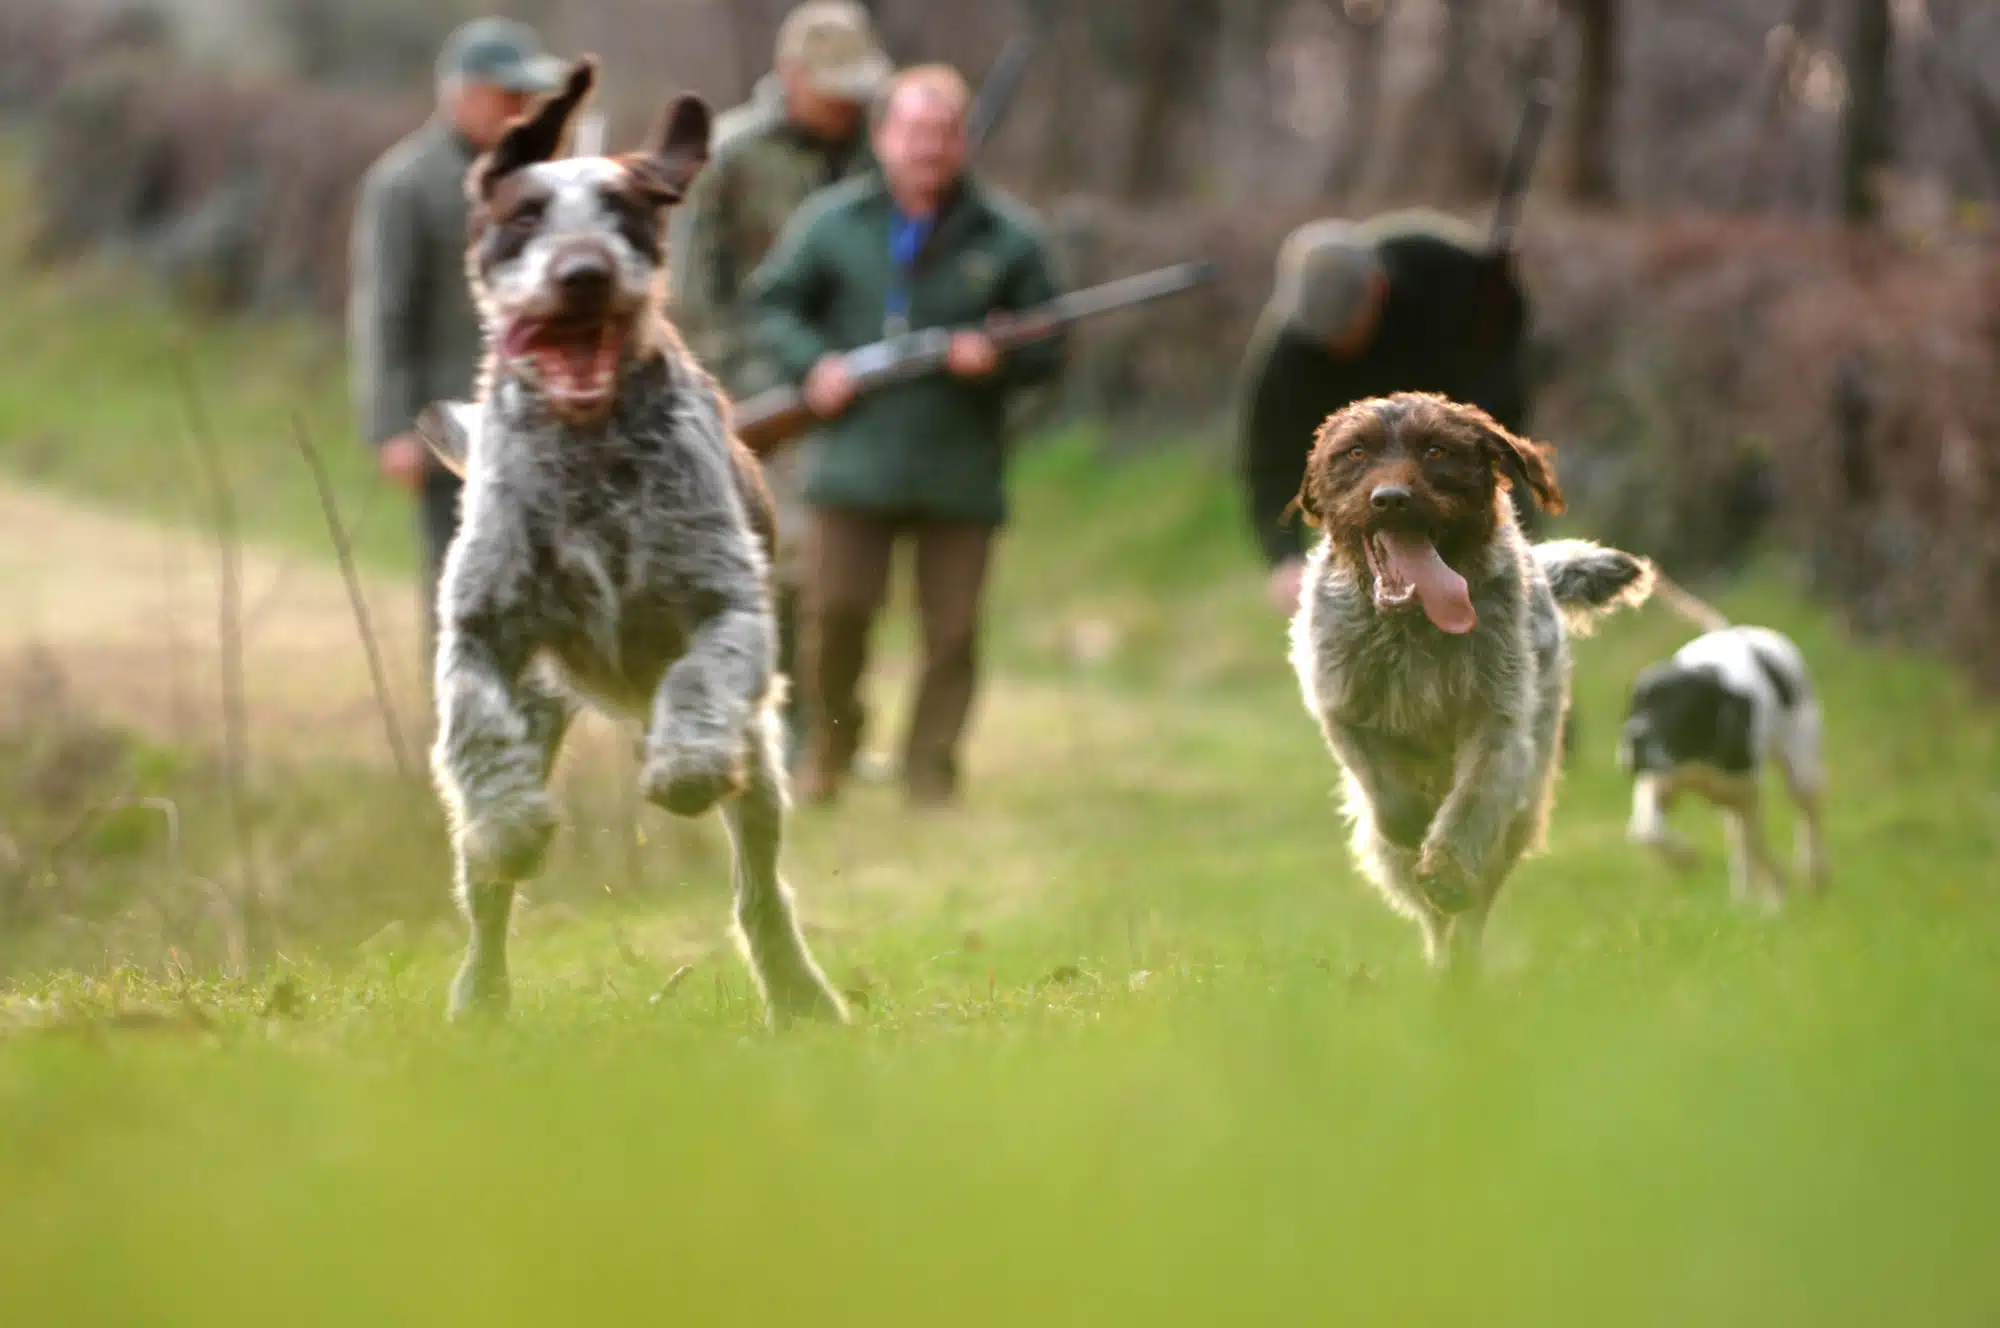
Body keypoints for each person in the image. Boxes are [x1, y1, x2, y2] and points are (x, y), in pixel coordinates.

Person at [746, 64, 1069, 808]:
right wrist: (813, 365)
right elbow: (774, 305)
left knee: (952, 635)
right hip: (854, 463)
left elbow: (1050, 345)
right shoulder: (834, 222)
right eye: (916, 132)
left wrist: (995, 359)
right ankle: (828, 754)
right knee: (836, 621)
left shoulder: (1010, 238)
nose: (930, 147)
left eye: (945, 133)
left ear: (964, 141)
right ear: (886, 136)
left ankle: (929, 774)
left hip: (959, 467)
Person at [670, 0, 890, 769]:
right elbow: (693, 295)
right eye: (831, 88)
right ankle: (775, 730)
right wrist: (754, 384)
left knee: (842, 579)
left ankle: (828, 732)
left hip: (864, 395)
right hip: (757, 397)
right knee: (780, 564)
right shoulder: (728, 157)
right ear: (790, 76)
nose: (845, 105)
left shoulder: (878, 153)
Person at [347, 17, 566, 694]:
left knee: (538, 588)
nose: (522, 111)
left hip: (536, 421)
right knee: (461, 587)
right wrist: (393, 427)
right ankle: (463, 728)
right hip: (451, 429)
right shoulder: (404, 184)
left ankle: (527, 730)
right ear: (465, 95)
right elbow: (384, 313)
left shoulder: (540, 181)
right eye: (510, 96)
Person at [1236, 209, 1533, 617]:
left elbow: (1508, 320)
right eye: (1324, 334)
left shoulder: (1441, 268)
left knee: (1504, 586)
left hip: (1468, 440)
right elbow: (1270, 459)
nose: (1334, 343)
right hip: (1375, 478)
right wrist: (1284, 556)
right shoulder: (1292, 351)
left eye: (1344, 327)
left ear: (1378, 290)